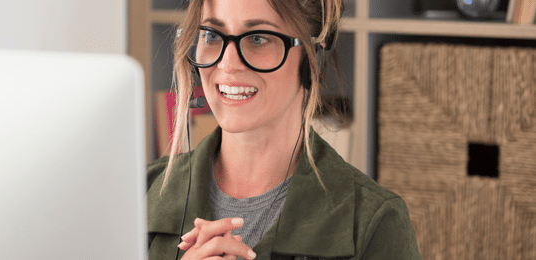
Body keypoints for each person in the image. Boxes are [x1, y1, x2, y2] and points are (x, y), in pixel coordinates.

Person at [146, 0, 421, 259]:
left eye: (258, 38)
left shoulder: (375, 223)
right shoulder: (138, 193)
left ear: (314, 52)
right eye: (212, 35)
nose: (227, 64)